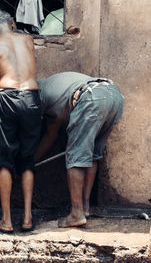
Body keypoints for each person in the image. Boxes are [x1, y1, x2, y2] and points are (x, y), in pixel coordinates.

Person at [34, 72, 123, 228]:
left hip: (90, 97)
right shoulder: (54, 93)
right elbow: (51, 135)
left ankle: (76, 213)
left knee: (75, 157)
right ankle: (85, 208)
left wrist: (22, 162)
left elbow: (32, 129)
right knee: (91, 156)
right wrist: (31, 162)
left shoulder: (37, 93)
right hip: (113, 96)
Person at [0, 10, 41, 233]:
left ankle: (6, 220)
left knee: (4, 158)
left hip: (7, 98)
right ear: (12, 24)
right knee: (27, 158)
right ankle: (27, 218)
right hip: (31, 96)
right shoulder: (28, 40)